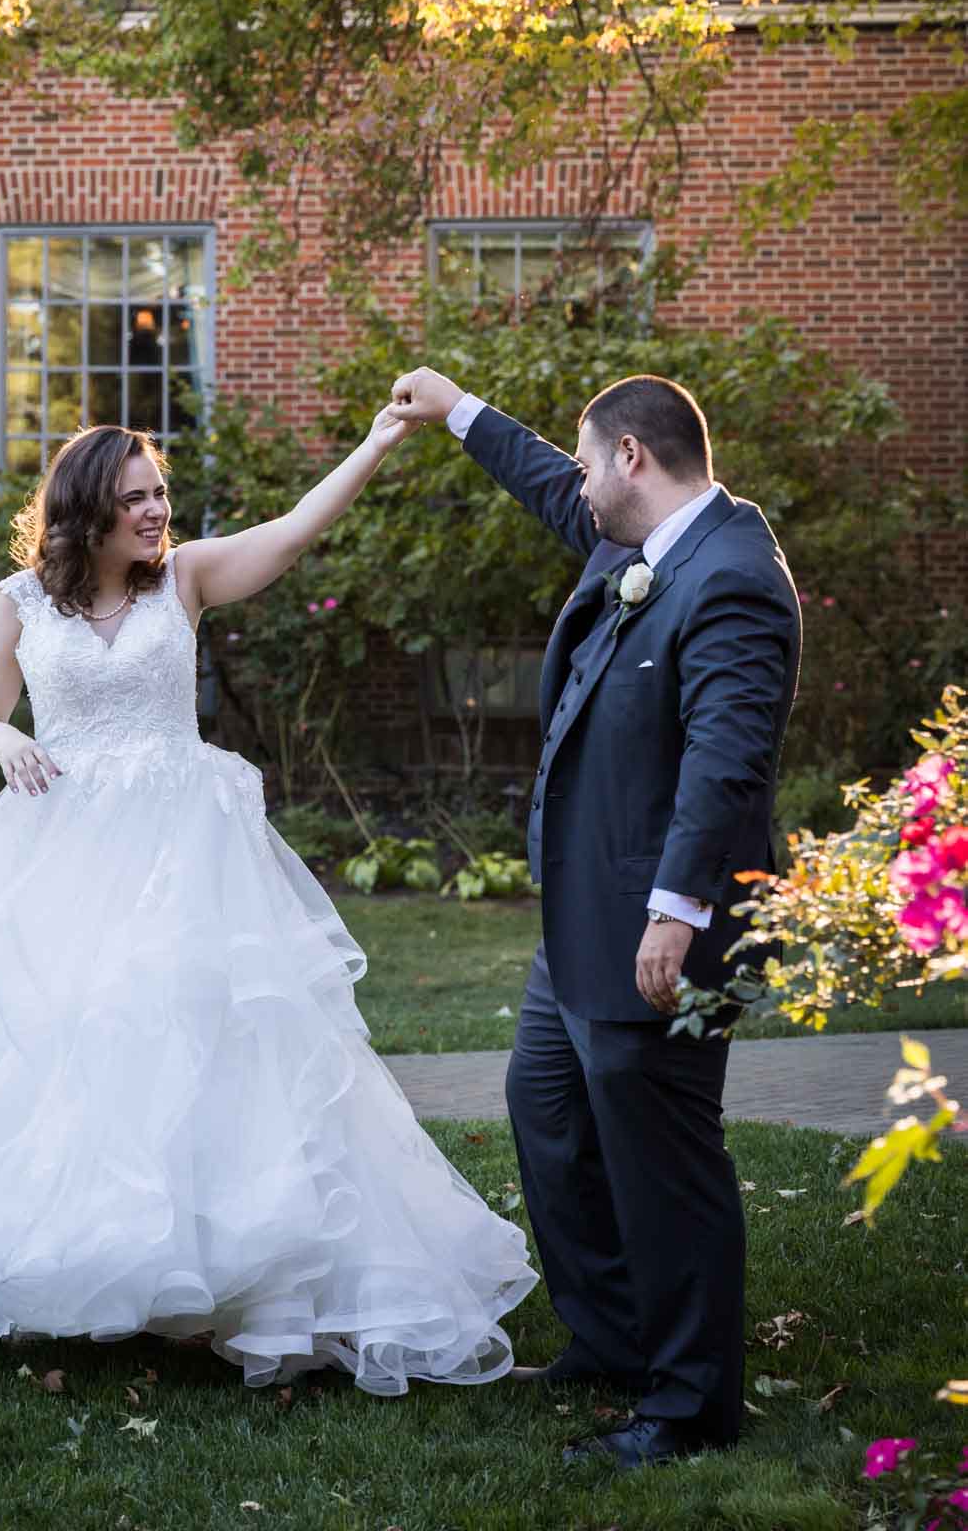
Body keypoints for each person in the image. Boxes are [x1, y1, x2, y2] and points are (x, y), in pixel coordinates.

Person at [0, 416, 536, 1396]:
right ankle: (75, 1259)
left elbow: (289, 533)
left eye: (159, 491)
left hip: (185, 846)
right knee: (66, 1041)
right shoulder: (20, 601)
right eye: (136, 497)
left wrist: (375, 443)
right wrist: (5, 742)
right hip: (62, 842)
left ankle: (221, 1281)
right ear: (88, 510)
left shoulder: (186, 576)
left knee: (205, 1036)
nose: (157, 509)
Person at [389, 366, 801, 1469]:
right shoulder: (640, 542)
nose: (573, 480)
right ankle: (614, 1337)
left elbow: (728, 758)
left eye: (587, 458)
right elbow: (543, 480)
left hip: (662, 929)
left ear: (631, 457)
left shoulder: (732, 577)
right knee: (549, 1113)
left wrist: (676, 910)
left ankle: (688, 1400)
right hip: (580, 923)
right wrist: (458, 409)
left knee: (663, 1164)